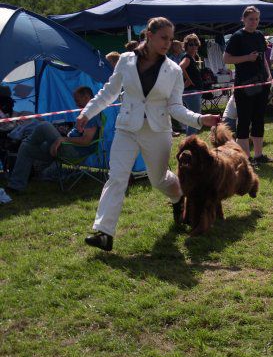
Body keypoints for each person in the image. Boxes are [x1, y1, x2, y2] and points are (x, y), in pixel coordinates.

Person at [78, 17, 220, 252]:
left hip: (158, 131)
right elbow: (109, 92)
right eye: (163, 37)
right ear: (149, 35)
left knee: (159, 180)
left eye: (170, 38)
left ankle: (177, 198)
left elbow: (175, 107)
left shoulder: (174, 70)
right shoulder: (125, 60)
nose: (168, 43)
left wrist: (199, 119)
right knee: (117, 177)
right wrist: (87, 112)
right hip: (126, 128)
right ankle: (104, 233)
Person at [6, 86, 100, 193]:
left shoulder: (91, 115)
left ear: (87, 97)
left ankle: (23, 140)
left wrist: (62, 139)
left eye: (77, 101)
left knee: (44, 125)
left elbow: (86, 140)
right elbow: (78, 134)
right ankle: (16, 186)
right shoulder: (85, 113)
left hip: (75, 152)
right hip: (64, 147)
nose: (76, 104)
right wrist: (64, 133)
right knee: (25, 147)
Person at [223, 6, 273, 163]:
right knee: (244, 121)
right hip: (244, 86)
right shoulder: (237, 36)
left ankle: (258, 155)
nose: (254, 22)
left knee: (259, 119)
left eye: (257, 19)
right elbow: (226, 59)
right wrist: (246, 58)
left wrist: (269, 75)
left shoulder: (259, 36)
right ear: (244, 19)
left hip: (261, 84)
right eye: (251, 19)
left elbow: (263, 58)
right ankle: (246, 158)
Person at [180, 33, 204, 136]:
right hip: (191, 92)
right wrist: (188, 80)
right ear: (186, 46)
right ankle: (190, 142)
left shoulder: (193, 58)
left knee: (194, 118)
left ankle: (190, 141)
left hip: (195, 92)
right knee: (194, 119)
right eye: (190, 44)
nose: (193, 46)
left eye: (195, 44)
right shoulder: (187, 57)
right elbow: (180, 67)